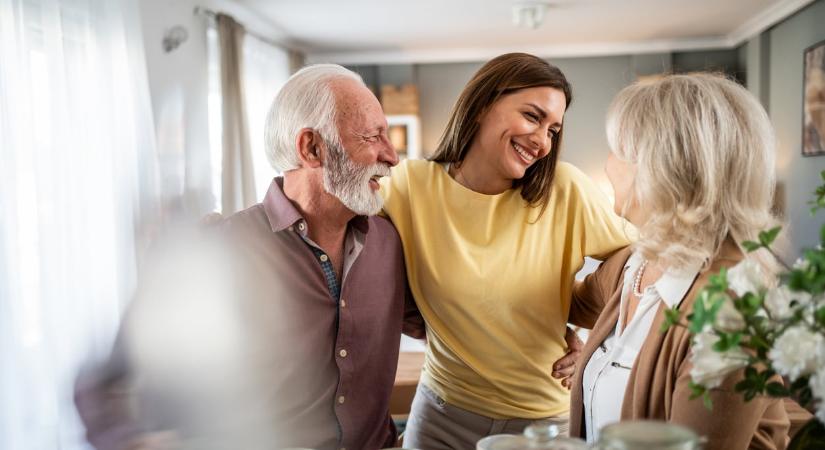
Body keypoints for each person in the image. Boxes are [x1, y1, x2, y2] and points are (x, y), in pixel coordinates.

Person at [75, 64, 424, 450]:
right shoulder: (216, 252)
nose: (392, 156)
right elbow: (103, 388)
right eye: (373, 136)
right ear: (311, 148)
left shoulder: (389, 243)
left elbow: (444, 323)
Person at [380, 53, 631, 449]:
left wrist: (587, 327)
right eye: (533, 117)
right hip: (441, 413)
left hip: (543, 423)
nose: (542, 142)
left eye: (552, 130)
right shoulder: (410, 186)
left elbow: (642, 266)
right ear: (481, 105)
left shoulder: (565, 190)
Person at [568, 73, 790, 449]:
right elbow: (562, 302)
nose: (607, 165)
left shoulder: (730, 316)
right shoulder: (634, 264)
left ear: (662, 167)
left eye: (618, 151)